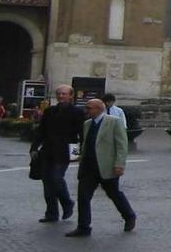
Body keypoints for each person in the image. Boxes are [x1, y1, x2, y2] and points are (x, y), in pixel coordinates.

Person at [66, 98, 136, 237]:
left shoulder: (114, 122)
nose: (86, 111)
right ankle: (83, 226)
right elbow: (85, 143)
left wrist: (119, 164)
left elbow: (122, 145)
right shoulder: (87, 124)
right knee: (83, 196)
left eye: (89, 108)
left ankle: (129, 216)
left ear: (99, 109)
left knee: (114, 194)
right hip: (88, 167)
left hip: (106, 166)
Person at [30, 85, 83, 223]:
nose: (61, 96)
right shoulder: (49, 111)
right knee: (47, 182)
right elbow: (41, 130)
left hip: (64, 151)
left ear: (71, 96)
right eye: (59, 93)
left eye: (64, 94)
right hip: (47, 150)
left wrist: (78, 153)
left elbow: (81, 135)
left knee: (56, 178)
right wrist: (34, 147)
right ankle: (51, 213)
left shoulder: (77, 112)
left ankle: (67, 203)